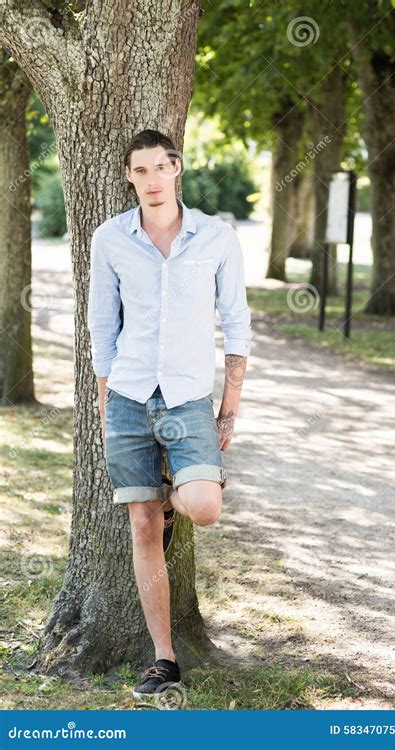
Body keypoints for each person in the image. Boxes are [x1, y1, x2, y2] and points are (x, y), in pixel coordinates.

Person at [86, 129, 252, 698]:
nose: (153, 180)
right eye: (141, 171)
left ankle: (177, 492)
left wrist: (229, 406)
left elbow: (237, 321)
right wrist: (107, 395)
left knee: (203, 507)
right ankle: (165, 659)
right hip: (129, 395)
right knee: (141, 524)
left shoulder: (215, 237)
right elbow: (102, 325)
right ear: (128, 177)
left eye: (162, 167)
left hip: (187, 397)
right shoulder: (110, 238)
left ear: (176, 168)